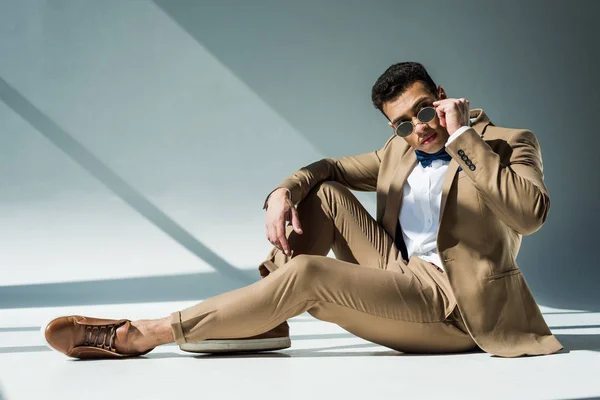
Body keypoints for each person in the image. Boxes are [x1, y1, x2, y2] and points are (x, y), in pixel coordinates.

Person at [43, 62, 563, 359]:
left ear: (443, 99)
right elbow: (329, 167)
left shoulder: (507, 142)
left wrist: (462, 138)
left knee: (310, 272)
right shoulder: (399, 151)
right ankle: (266, 321)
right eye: (402, 124)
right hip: (400, 278)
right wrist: (281, 193)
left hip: (456, 305)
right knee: (325, 193)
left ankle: (142, 334)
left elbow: (530, 216)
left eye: (424, 112)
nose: (418, 129)